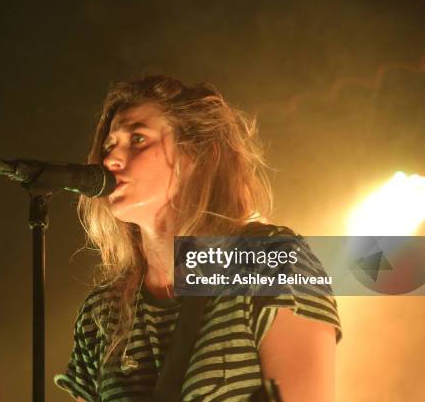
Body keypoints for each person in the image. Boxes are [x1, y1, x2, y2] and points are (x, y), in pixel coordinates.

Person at [54, 75, 341, 401]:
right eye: (109, 145)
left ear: (195, 156)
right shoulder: (101, 312)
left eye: (137, 139)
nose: (110, 160)